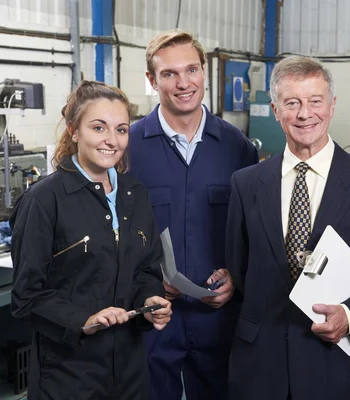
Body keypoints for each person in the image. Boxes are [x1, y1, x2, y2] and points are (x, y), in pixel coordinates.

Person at [225, 55, 350, 400]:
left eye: (315, 101)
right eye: (292, 103)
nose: (304, 113)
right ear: (275, 109)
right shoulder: (246, 183)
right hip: (259, 364)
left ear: (332, 106)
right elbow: (240, 268)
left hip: (333, 363)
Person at [9, 80, 172, 400]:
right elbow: (26, 297)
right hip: (68, 375)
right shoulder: (45, 200)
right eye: (99, 128)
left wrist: (150, 301)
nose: (112, 140)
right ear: (73, 130)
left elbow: (147, 269)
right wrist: (83, 321)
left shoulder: (134, 195)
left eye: (122, 129)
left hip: (129, 372)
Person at [127, 30, 259, 400]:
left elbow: (250, 233)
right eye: (169, 74)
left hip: (219, 319)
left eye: (192, 70)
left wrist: (236, 277)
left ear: (204, 73)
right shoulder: (127, 149)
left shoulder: (237, 147)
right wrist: (148, 286)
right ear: (152, 81)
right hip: (152, 319)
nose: (183, 83)